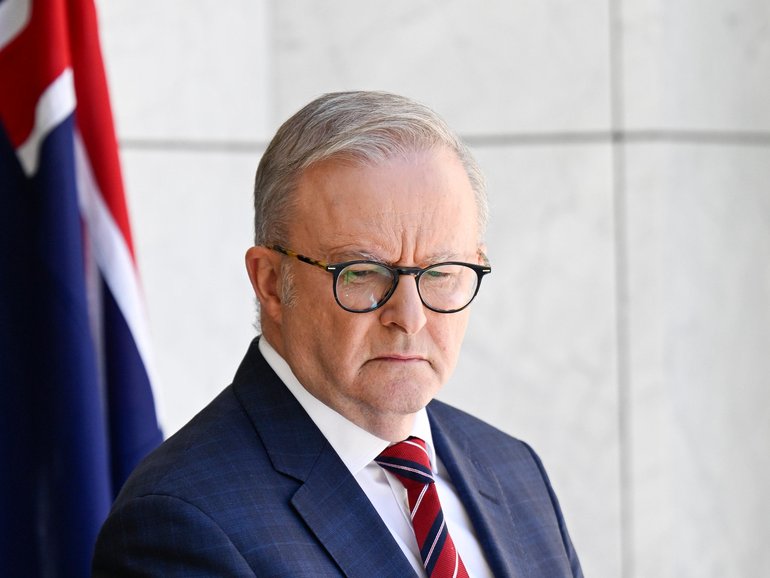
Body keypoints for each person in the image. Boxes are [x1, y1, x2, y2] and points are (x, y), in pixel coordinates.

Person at [93, 91, 583, 577]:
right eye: (363, 272)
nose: (409, 317)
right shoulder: (181, 523)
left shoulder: (515, 470)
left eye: (440, 273)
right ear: (270, 283)